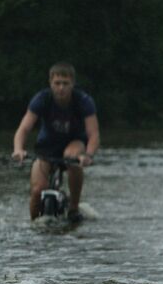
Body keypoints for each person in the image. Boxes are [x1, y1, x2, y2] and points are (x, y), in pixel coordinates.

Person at [11, 62, 100, 222]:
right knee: (38, 190)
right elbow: (24, 129)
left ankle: (74, 207)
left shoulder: (83, 101)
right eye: (57, 83)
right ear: (50, 83)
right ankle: (34, 225)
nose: (61, 88)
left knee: (71, 158)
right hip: (47, 147)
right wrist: (18, 149)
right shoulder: (41, 99)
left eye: (65, 84)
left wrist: (88, 155)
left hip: (74, 143)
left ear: (72, 83)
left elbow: (93, 134)